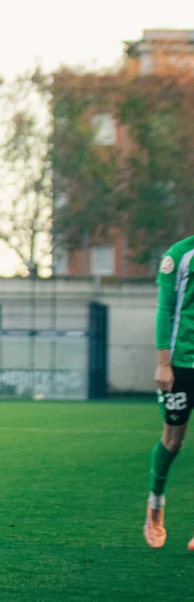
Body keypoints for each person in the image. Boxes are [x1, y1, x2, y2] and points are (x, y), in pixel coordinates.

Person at [145, 235, 194, 549]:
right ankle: (155, 505)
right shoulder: (179, 255)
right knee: (173, 441)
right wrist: (164, 363)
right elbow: (165, 311)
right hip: (181, 363)